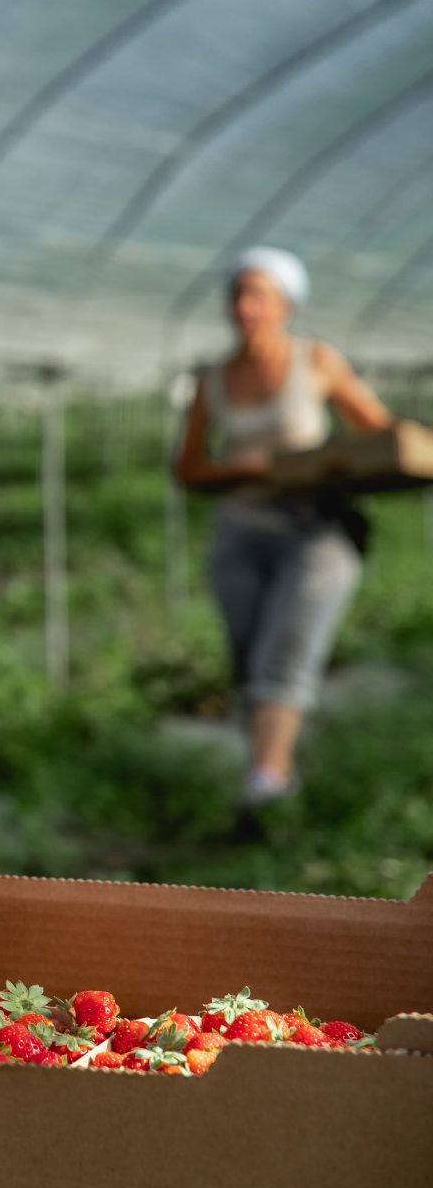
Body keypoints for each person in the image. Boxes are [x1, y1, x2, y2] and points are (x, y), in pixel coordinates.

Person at [172, 247, 392, 810]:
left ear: (285, 306)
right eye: (239, 295)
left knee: (286, 652)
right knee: (248, 655)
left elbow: (381, 435)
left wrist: (330, 463)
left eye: (260, 296)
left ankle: (265, 787)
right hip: (241, 530)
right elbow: (188, 467)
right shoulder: (213, 379)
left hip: (314, 532)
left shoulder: (315, 360)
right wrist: (241, 469)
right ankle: (271, 771)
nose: (246, 307)